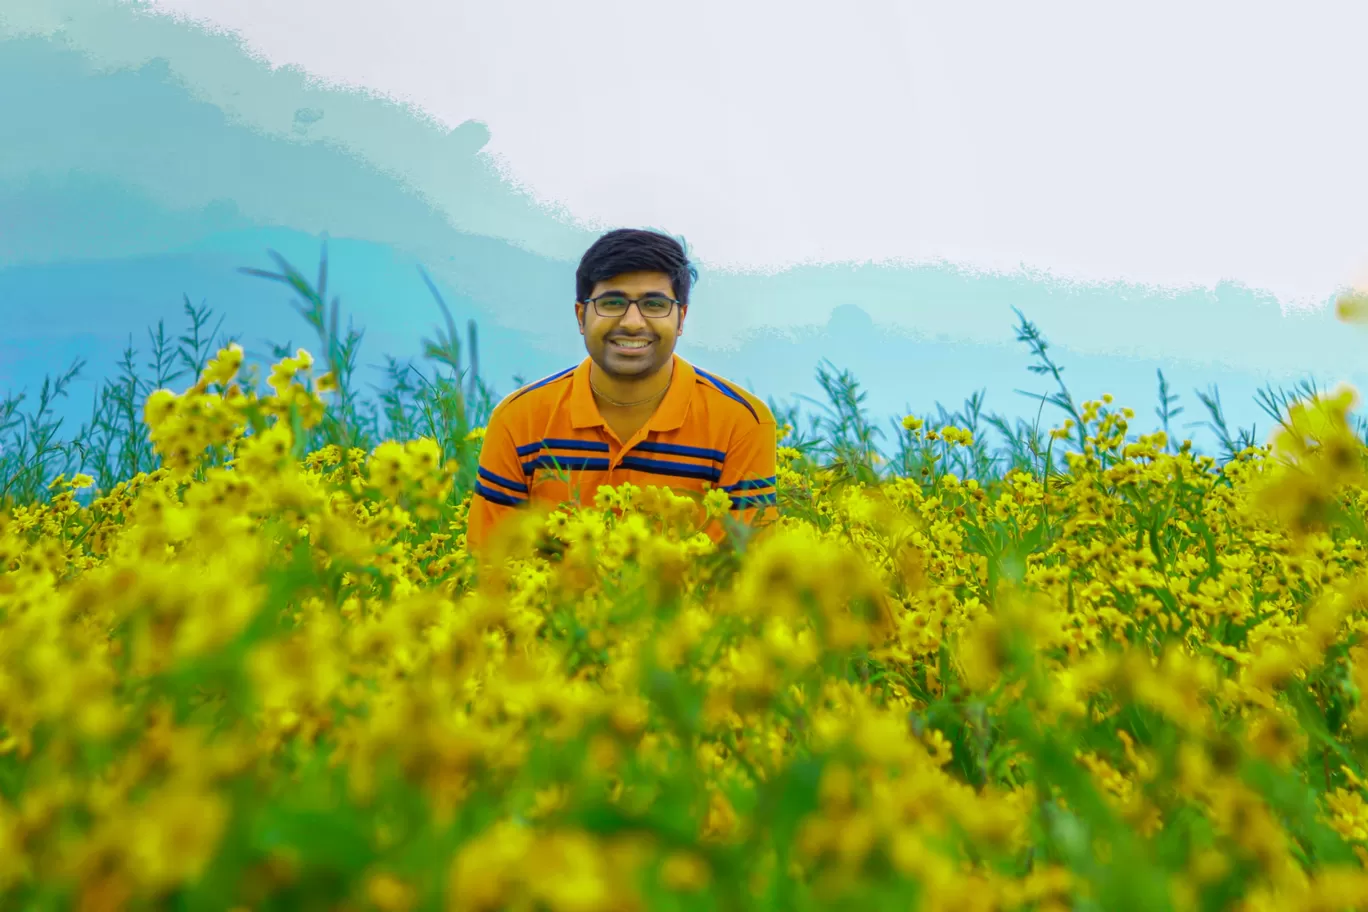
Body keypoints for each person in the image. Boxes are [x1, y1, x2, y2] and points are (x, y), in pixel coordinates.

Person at [465, 227, 778, 554]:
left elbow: (747, 579)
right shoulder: (519, 420)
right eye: (611, 302)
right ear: (581, 315)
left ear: (681, 318)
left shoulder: (741, 423)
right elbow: (489, 570)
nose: (632, 322)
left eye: (654, 304)